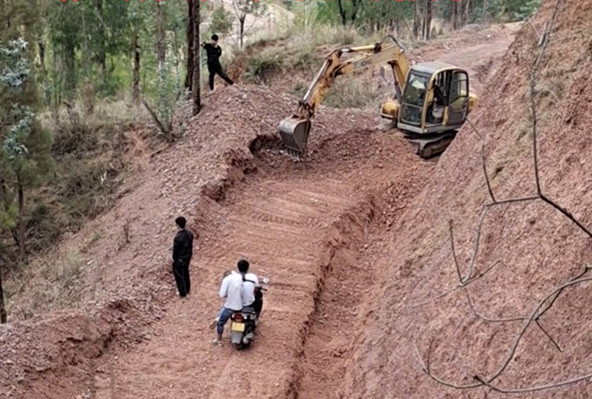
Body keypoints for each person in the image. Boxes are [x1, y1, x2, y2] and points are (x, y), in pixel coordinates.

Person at [213, 262, 244, 345]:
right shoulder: (239, 277)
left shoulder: (226, 280)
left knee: (221, 322)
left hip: (229, 307)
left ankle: (218, 340)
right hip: (240, 307)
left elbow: (221, 294)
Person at [172, 216, 194, 298]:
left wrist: (174, 259)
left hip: (179, 259)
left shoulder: (177, 238)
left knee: (179, 275)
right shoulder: (189, 234)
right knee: (185, 272)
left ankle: (182, 293)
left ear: (177, 225)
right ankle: (188, 289)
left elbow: (175, 251)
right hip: (187, 257)